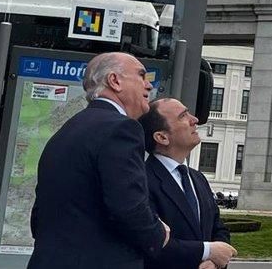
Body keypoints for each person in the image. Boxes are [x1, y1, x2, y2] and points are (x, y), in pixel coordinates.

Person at [28, 52, 170, 269]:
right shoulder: (122, 129)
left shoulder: (67, 130)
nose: (149, 86)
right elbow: (128, 207)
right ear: (115, 81)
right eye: (142, 76)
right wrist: (158, 233)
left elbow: (40, 217)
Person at [140, 97, 235, 269]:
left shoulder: (198, 178)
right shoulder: (143, 181)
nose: (195, 120)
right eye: (183, 116)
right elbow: (151, 241)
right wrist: (207, 251)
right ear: (162, 137)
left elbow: (218, 228)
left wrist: (213, 261)